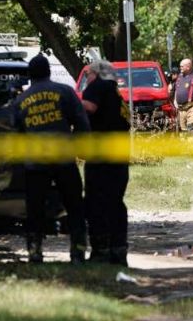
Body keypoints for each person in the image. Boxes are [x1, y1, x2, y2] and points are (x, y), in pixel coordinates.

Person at [13, 54, 90, 263]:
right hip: (64, 158)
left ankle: (35, 252)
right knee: (74, 205)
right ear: (48, 71)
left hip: (35, 163)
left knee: (35, 209)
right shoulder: (65, 92)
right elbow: (82, 122)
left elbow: (16, 134)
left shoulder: (20, 100)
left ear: (30, 75)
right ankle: (78, 250)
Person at [80, 60, 131, 265]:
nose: (86, 80)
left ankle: (100, 252)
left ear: (97, 74)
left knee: (95, 202)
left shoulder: (98, 86)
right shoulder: (116, 94)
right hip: (119, 157)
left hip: (100, 158)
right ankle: (118, 251)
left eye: (87, 75)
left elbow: (90, 107)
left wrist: (68, 101)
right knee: (116, 203)